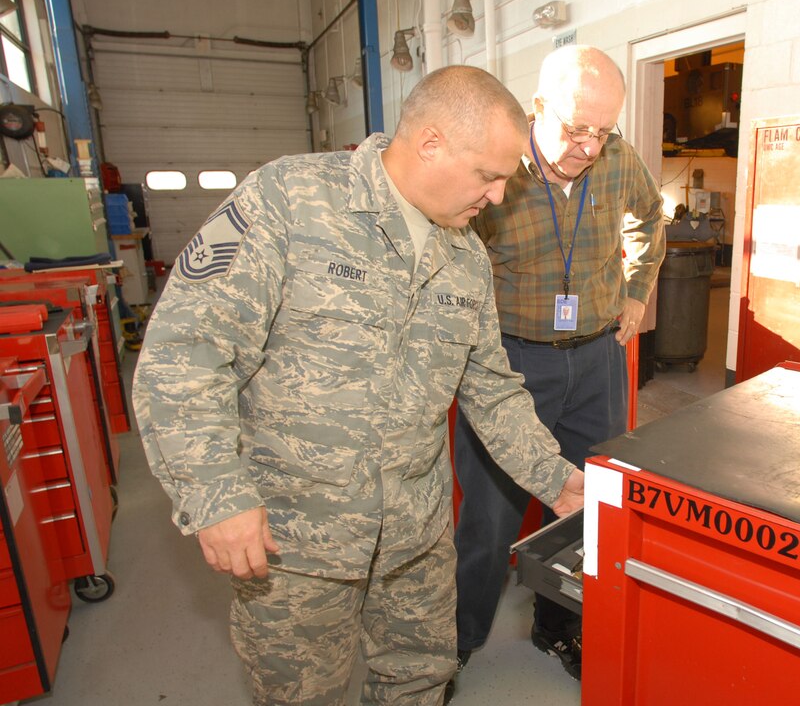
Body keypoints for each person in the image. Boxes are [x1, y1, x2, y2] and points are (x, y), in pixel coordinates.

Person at [131, 65, 585, 706]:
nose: (501, 195)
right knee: (300, 695)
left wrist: (553, 475)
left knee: (420, 680)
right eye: (490, 174)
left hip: (415, 541)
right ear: (431, 143)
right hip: (294, 545)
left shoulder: (466, 257)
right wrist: (215, 496)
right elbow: (185, 356)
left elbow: (490, 386)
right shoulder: (288, 201)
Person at [452, 45, 665, 681]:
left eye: (603, 130)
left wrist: (635, 291)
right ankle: (456, 644)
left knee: (585, 507)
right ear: (537, 108)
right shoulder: (499, 173)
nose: (590, 147)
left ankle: (559, 627)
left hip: (597, 360)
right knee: (488, 519)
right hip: (511, 367)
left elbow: (651, 218)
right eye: (576, 129)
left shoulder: (618, 159)